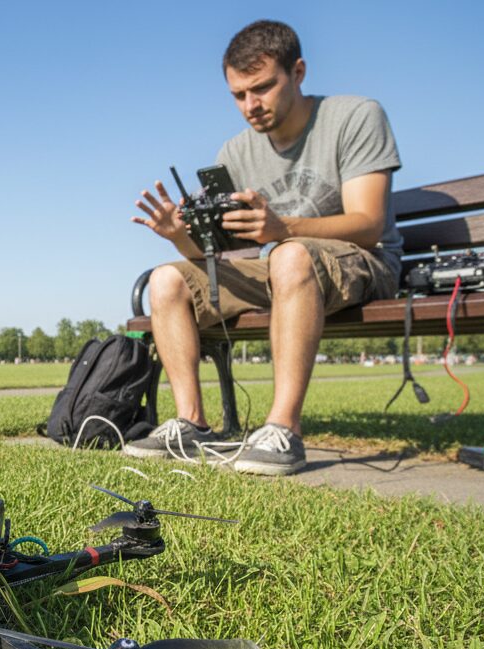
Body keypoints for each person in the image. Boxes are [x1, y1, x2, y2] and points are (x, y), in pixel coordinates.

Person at [125, 19, 402, 475]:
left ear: (298, 72)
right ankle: (191, 422)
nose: (250, 106)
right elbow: (213, 259)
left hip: (363, 264)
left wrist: (283, 228)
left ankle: (282, 429)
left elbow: (369, 225)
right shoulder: (235, 152)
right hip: (278, 269)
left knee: (288, 255)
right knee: (167, 278)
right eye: (238, 95)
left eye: (263, 88)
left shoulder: (355, 116)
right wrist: (180, 235)